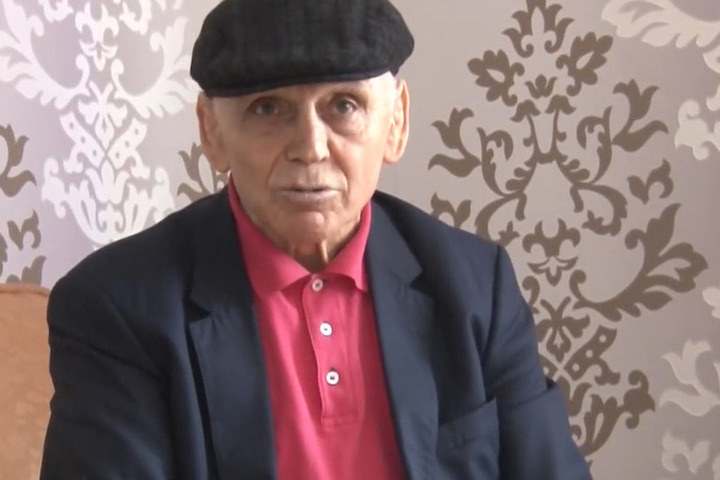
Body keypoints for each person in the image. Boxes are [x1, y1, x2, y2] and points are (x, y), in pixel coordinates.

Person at [40, 0, 592, 478]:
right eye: (268, 109)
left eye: (343, 106)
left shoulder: (476, 287)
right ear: (212, 131)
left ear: (396, 121)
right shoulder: (117, 309)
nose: (310, 148)